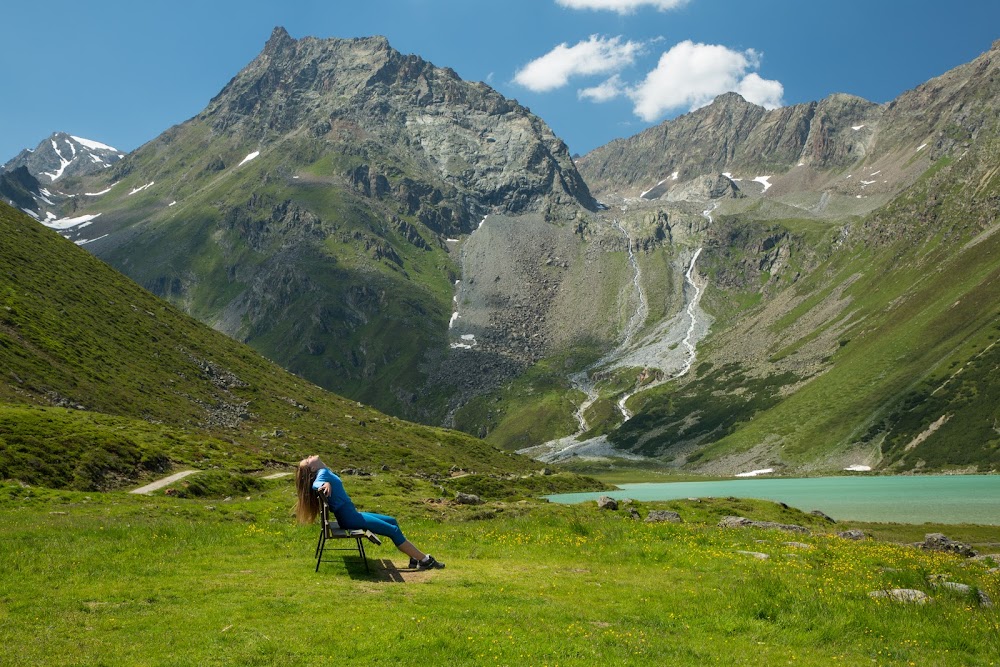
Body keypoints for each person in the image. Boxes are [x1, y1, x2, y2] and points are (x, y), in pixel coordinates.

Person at [295, 455, 444, 570]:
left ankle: (414, 557)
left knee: (391, 521)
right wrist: (324, 484)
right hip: (350, 518)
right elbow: (315, 485)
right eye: (307, 461)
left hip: (351, 515)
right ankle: (424, 560)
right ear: (313, 469)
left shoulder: (323, 471)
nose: (309, 457)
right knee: (393, 530)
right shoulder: (322, 474)